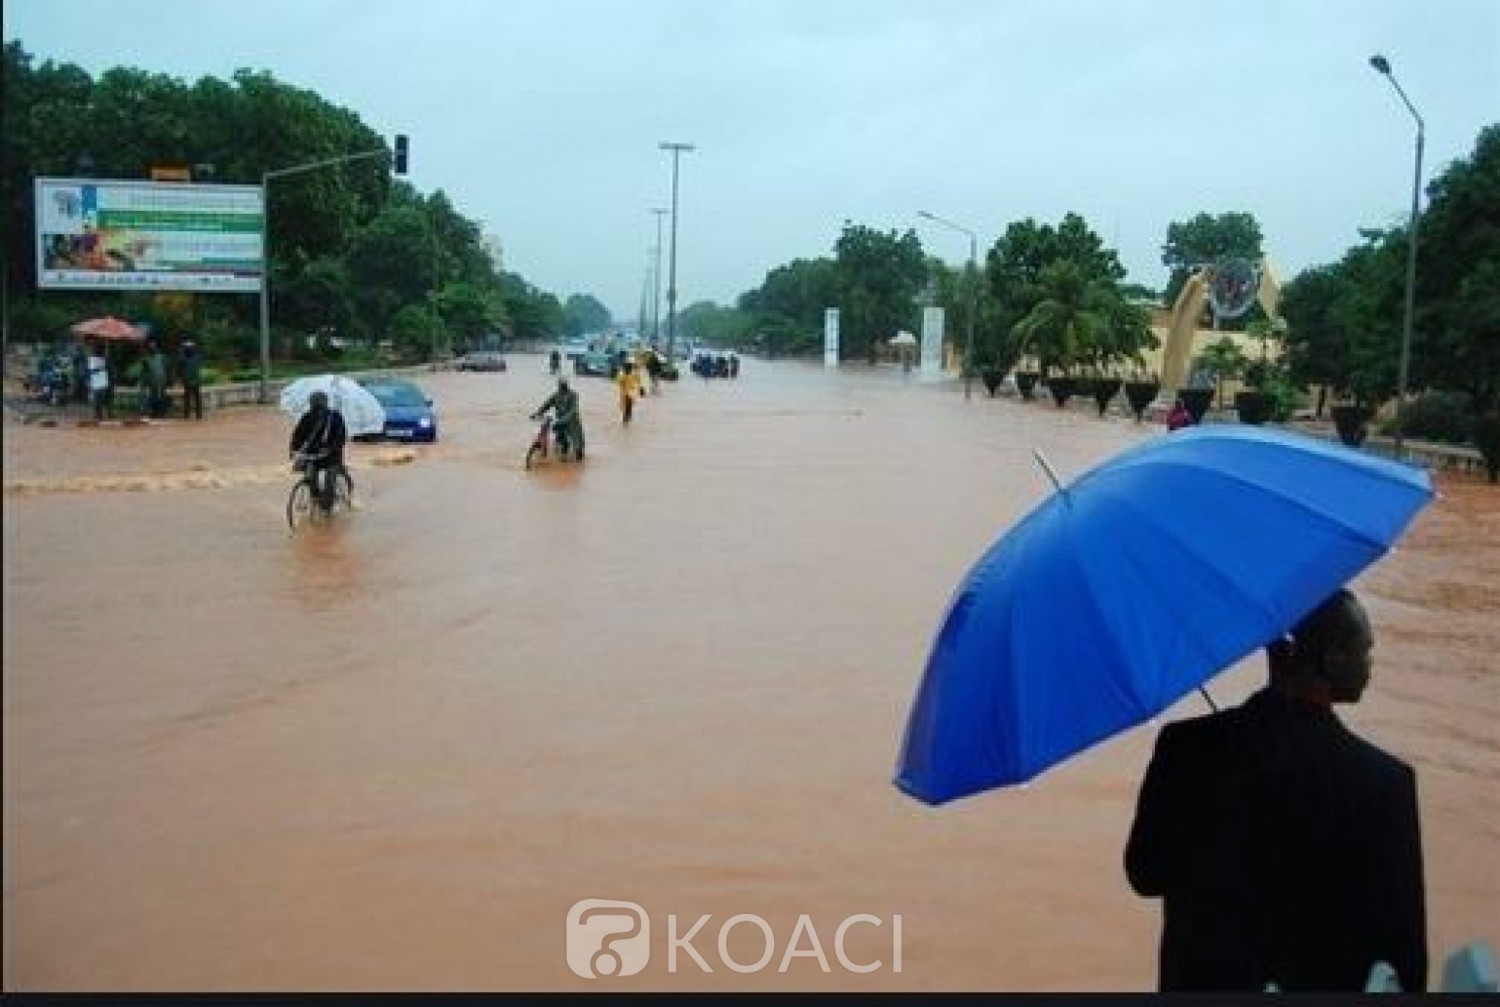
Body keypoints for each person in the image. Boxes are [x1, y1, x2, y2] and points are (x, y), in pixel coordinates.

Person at [1125, 588, 1427, 992]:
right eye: (1362, 649)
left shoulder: (1185, 748)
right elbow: (1405, 957)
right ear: (1330, 660)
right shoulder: (1383, 784)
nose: (1368, 663)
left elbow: (1145, 874)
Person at [288, 390, 348, 509]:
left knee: (329, 480)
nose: (315, 405)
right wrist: (293, 450)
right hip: (313, 455)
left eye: (317, 402)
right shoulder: (307, 417)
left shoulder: (335, 416)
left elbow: (341, 436)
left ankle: (327, 505)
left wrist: (331, 449)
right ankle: (315, 497)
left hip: (331, 456)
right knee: (311, 478)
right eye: (314, 402)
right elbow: (297, 435)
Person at [531, 376, 584, 461]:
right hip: (560, 420)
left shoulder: (573, 395)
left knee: (577, 445)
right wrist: (537, 413)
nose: (562, 387)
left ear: (566, 385)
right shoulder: (556, 395)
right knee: (559, 436)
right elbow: (546, 405)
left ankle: (578, 452)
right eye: (561, 385)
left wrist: (563, 419)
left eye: (563, 385)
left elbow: (573, 410)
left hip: (571, 420)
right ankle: (563, 450)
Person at [179, 340, 204, 420]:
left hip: (191, 381)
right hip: (192, 381)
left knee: (190, 399)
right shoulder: (197, 357)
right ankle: (195, 415)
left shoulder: (184, 357)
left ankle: (189, 415)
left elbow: (181, 368)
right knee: (192, 399)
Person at [142, 341, 168, 418]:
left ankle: (162, 413)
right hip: (151, 381)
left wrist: (167, 379)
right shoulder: (146, 358)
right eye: (150, 347)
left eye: (153, 347)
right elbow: (145, 371)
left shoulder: (161, 357)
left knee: (161, 396)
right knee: (153, 397)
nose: (152, 348)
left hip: (161, 380)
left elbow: (166, 367)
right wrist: (145, 381)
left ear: (156, 348)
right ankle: (154, 412)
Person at [86, 345, 111, 421]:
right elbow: (91, 370)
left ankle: (100, 414)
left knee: (101, 397)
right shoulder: (92, 359)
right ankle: (97, 414)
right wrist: (100, 369)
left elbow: (105, 369)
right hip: (96, 379)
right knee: (96, 398)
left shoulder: (104, 359)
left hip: (102, 379)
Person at [616, 360, 641, 424]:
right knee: (625, 406)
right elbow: (619, 382)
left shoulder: (633, 374)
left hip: (631, 393)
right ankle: (626, 417)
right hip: (624, 393)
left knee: (629, 405)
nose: (627, 369)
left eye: (628, 368)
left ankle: (627, 417)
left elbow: (638, 380)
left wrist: (640, 388)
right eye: (626, 368)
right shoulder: (622, 375)